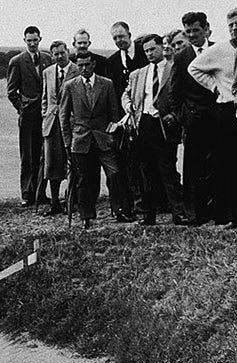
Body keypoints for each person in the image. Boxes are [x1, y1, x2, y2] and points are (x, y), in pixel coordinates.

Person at [188, 7, 237, 228]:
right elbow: (194, 68)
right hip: (226, 111)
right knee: (229, 166)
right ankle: (234, 216)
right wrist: (215, 87)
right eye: (231, 25)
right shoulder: (220, 49)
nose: (235, 28)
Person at [123, 34, 187, 225]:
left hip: (164, 126)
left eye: (153, 49)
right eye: (146, 51)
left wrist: (174, 116)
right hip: (143, 125)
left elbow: (181, 96)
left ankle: (178, 213)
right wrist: (128, 106)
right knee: (146, 172)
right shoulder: (138, 74)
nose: (150, 53)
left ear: (161, 47)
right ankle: (148, 215)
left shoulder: (173, 68)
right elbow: (126, 94)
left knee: (168, 171)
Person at [164, 12, 218, 226]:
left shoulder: (218, 50)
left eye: (196, 30)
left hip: (218, 118)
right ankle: (196, 214)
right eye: (188, 32)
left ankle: (219, 211)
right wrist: (184, 117)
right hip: (193, 121)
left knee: (217, 165)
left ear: (206, 28)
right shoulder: (182, 56)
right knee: (194, 169)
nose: (193, 35)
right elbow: (174, 94)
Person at [60, 51, 123, 229]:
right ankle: (86, 216)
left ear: (93, 64)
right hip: (81, 140)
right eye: (80, 65)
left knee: (114, 174)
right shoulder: (70, 86)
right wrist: (67, 142)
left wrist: (112, 135)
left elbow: (114, 114)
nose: (84, 68)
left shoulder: (107, 84)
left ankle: (118, 209)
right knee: (83, 180)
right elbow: (63, 117)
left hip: (104, 139)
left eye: (87, 64)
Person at [105, 21, 147, 220]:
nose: (118, 41)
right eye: (114, 38)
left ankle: (154, 202)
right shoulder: (112, 61)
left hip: (145, 117)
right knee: (127, 163)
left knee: (147, 162)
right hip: (123, 121)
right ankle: (133, 204)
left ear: (129, 34)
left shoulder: (143, 54)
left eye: (121, 36)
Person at [8, 26, 53, 208]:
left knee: (45, 154)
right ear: (24, 41)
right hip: (28, 117)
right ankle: (27, 194)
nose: (33, 43)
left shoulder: (48, 59)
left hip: (46, 115)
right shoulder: (17, 61)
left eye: (35, 40)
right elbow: (11, 91)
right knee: (28, 155)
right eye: (29, 41)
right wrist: (22, 108)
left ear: (40, 39)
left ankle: (41, 193)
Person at [39, 41, 81, 215]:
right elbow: (45, 98)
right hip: (52, 125)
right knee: (52, 165)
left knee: (74, 163)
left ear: (68, 52)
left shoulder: (78, 70)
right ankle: (55, 203)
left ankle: (73, 202)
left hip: (71, 124)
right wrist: (46, 115)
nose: (59, 56)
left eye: (62, 53)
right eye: (55, 54)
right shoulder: (47, 72)